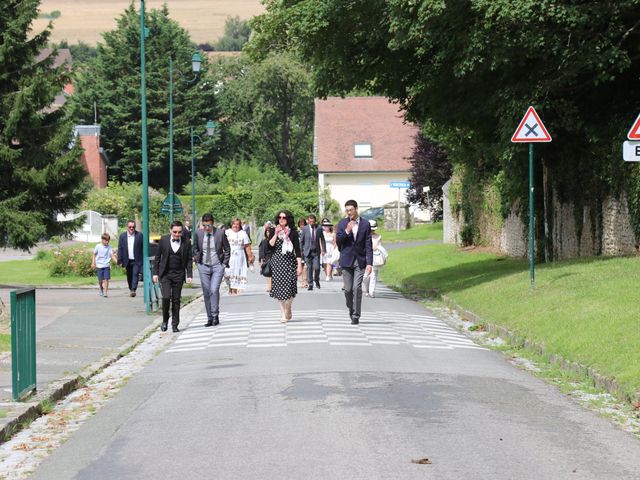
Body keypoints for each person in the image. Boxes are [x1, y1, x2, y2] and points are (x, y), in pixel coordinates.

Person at [335, 199, 373, 325]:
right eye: (347, 211)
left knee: (357, 288)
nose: (349, 213)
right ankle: (351, 309)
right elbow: (339, 242)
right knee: (348, 290)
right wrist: (347, 231)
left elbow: (368, 244)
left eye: (351, 210)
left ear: (356, 209)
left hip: (360, 260)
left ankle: (356, 315)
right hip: (346, 260)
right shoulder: (342, 223)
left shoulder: (365, 224)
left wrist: (369, 263)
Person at [152, 221, 193, 332]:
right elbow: (157, 258)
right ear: (170, 230)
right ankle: (165, 320)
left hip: (179, 274)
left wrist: (189, 274)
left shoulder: (186, 243)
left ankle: (175, 324)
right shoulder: (164, 240)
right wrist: (155, 273)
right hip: (165, 274)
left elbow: (189, 260)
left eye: (179, 232)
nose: (176, 234)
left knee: (176, 299)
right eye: (174, 232)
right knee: (166, 297)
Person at [193, 213, 230, 327]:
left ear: (213, 223)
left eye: (209, 225)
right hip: (203, 266)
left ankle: (215, 315)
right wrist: (197, 260)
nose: (207, 228)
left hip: (217, 266)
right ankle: (209, 317)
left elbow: (227, 249)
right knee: (207, 291)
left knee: (214, 290)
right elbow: (195, 247)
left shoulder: (220, 233)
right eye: (205, 225)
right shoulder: (198, 233)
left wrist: (224, 264)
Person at [269, 210, 302, 322]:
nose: (281, 219)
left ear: (288, 219)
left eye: (284, 217)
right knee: (279, 288)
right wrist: (275, 233)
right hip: (277, 262)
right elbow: (271, 245)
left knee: (291, 286)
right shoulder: (273, 229)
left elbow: (297, 250)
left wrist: (299, 266)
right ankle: (283, 314)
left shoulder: (293, 232)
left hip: (290, 262)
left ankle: (289, 306)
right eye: (279, 217)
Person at [225, 218, 254, 295]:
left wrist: (250, 256)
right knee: (228, 272)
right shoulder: (227, 232)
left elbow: (247, 246)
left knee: (237, 271)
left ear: (240, 225)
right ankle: (230, 287)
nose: (235, 226)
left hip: (239, 255)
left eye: (237, 224)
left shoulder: (243, 234)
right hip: (229, 255)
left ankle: (234, 289)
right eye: (234, 224)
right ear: (232, 224)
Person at [117, 220, 143, 297]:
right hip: (127, 260)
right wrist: (120, 259)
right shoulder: (122, 236)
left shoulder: (140, 235)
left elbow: (143, 247)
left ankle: (133, 289)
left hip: (137, 260)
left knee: (135, 274)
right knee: (129, 275)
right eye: (130, 227)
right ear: (127, 227)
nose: (131, 228)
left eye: (133, 227)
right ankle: (131, 288)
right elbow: (120, 248)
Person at [301, 214, 326, 291]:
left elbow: (322, 239)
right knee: (309, 268)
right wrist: (301, 251)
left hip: (316, 251)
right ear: (308, 221)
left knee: (317, 267)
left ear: (315, 221)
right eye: (310, 221)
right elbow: (301, 240)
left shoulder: (319, 228)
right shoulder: (305, 229)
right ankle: (310, 284)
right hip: (307, 251)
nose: (311, 223)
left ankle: (317, 279)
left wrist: (324, 249)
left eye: (313, 221)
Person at [91, 233, 117, 298]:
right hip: (99, 265)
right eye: (106, 240)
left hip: (106, 265)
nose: (107, 242)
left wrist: (117, 262)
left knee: (106, 279)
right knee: (100, 280)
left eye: (108, 240)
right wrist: (93, 263)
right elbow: (94, 254)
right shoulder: (98, 246)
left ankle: (105, 292)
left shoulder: (109, 247)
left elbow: (112, 255)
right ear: (102, 240)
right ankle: (101, 288)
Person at [364, 219, 384, 298]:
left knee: (373, 275)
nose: (372, 231)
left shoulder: (378, 236)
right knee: (365, 276)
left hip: (375, 256)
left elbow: (379, 246)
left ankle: (371, 291)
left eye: (373, 230)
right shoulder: (363, 235)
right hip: (365, 256)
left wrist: (376, 247)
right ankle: (367, 289)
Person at [259, 222, 275, 292]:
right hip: (267, 258)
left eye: (269, 232)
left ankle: (273, 286)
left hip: (275, 257)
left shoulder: (275, 241)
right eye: (267, 232)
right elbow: (262, 251)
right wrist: (261, 261)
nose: (268, 233)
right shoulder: (264, 241)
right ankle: (270, 286)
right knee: (269, 273)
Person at [297, 218, 308, 289]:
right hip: (298, 251)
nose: (302, 226)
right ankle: (300, 281)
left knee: (305, 267)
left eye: (303, 224)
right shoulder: (296, 232)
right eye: (301, 224)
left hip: (305, 251)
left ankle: (305, 282)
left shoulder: (307, 232)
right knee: (299, 266)